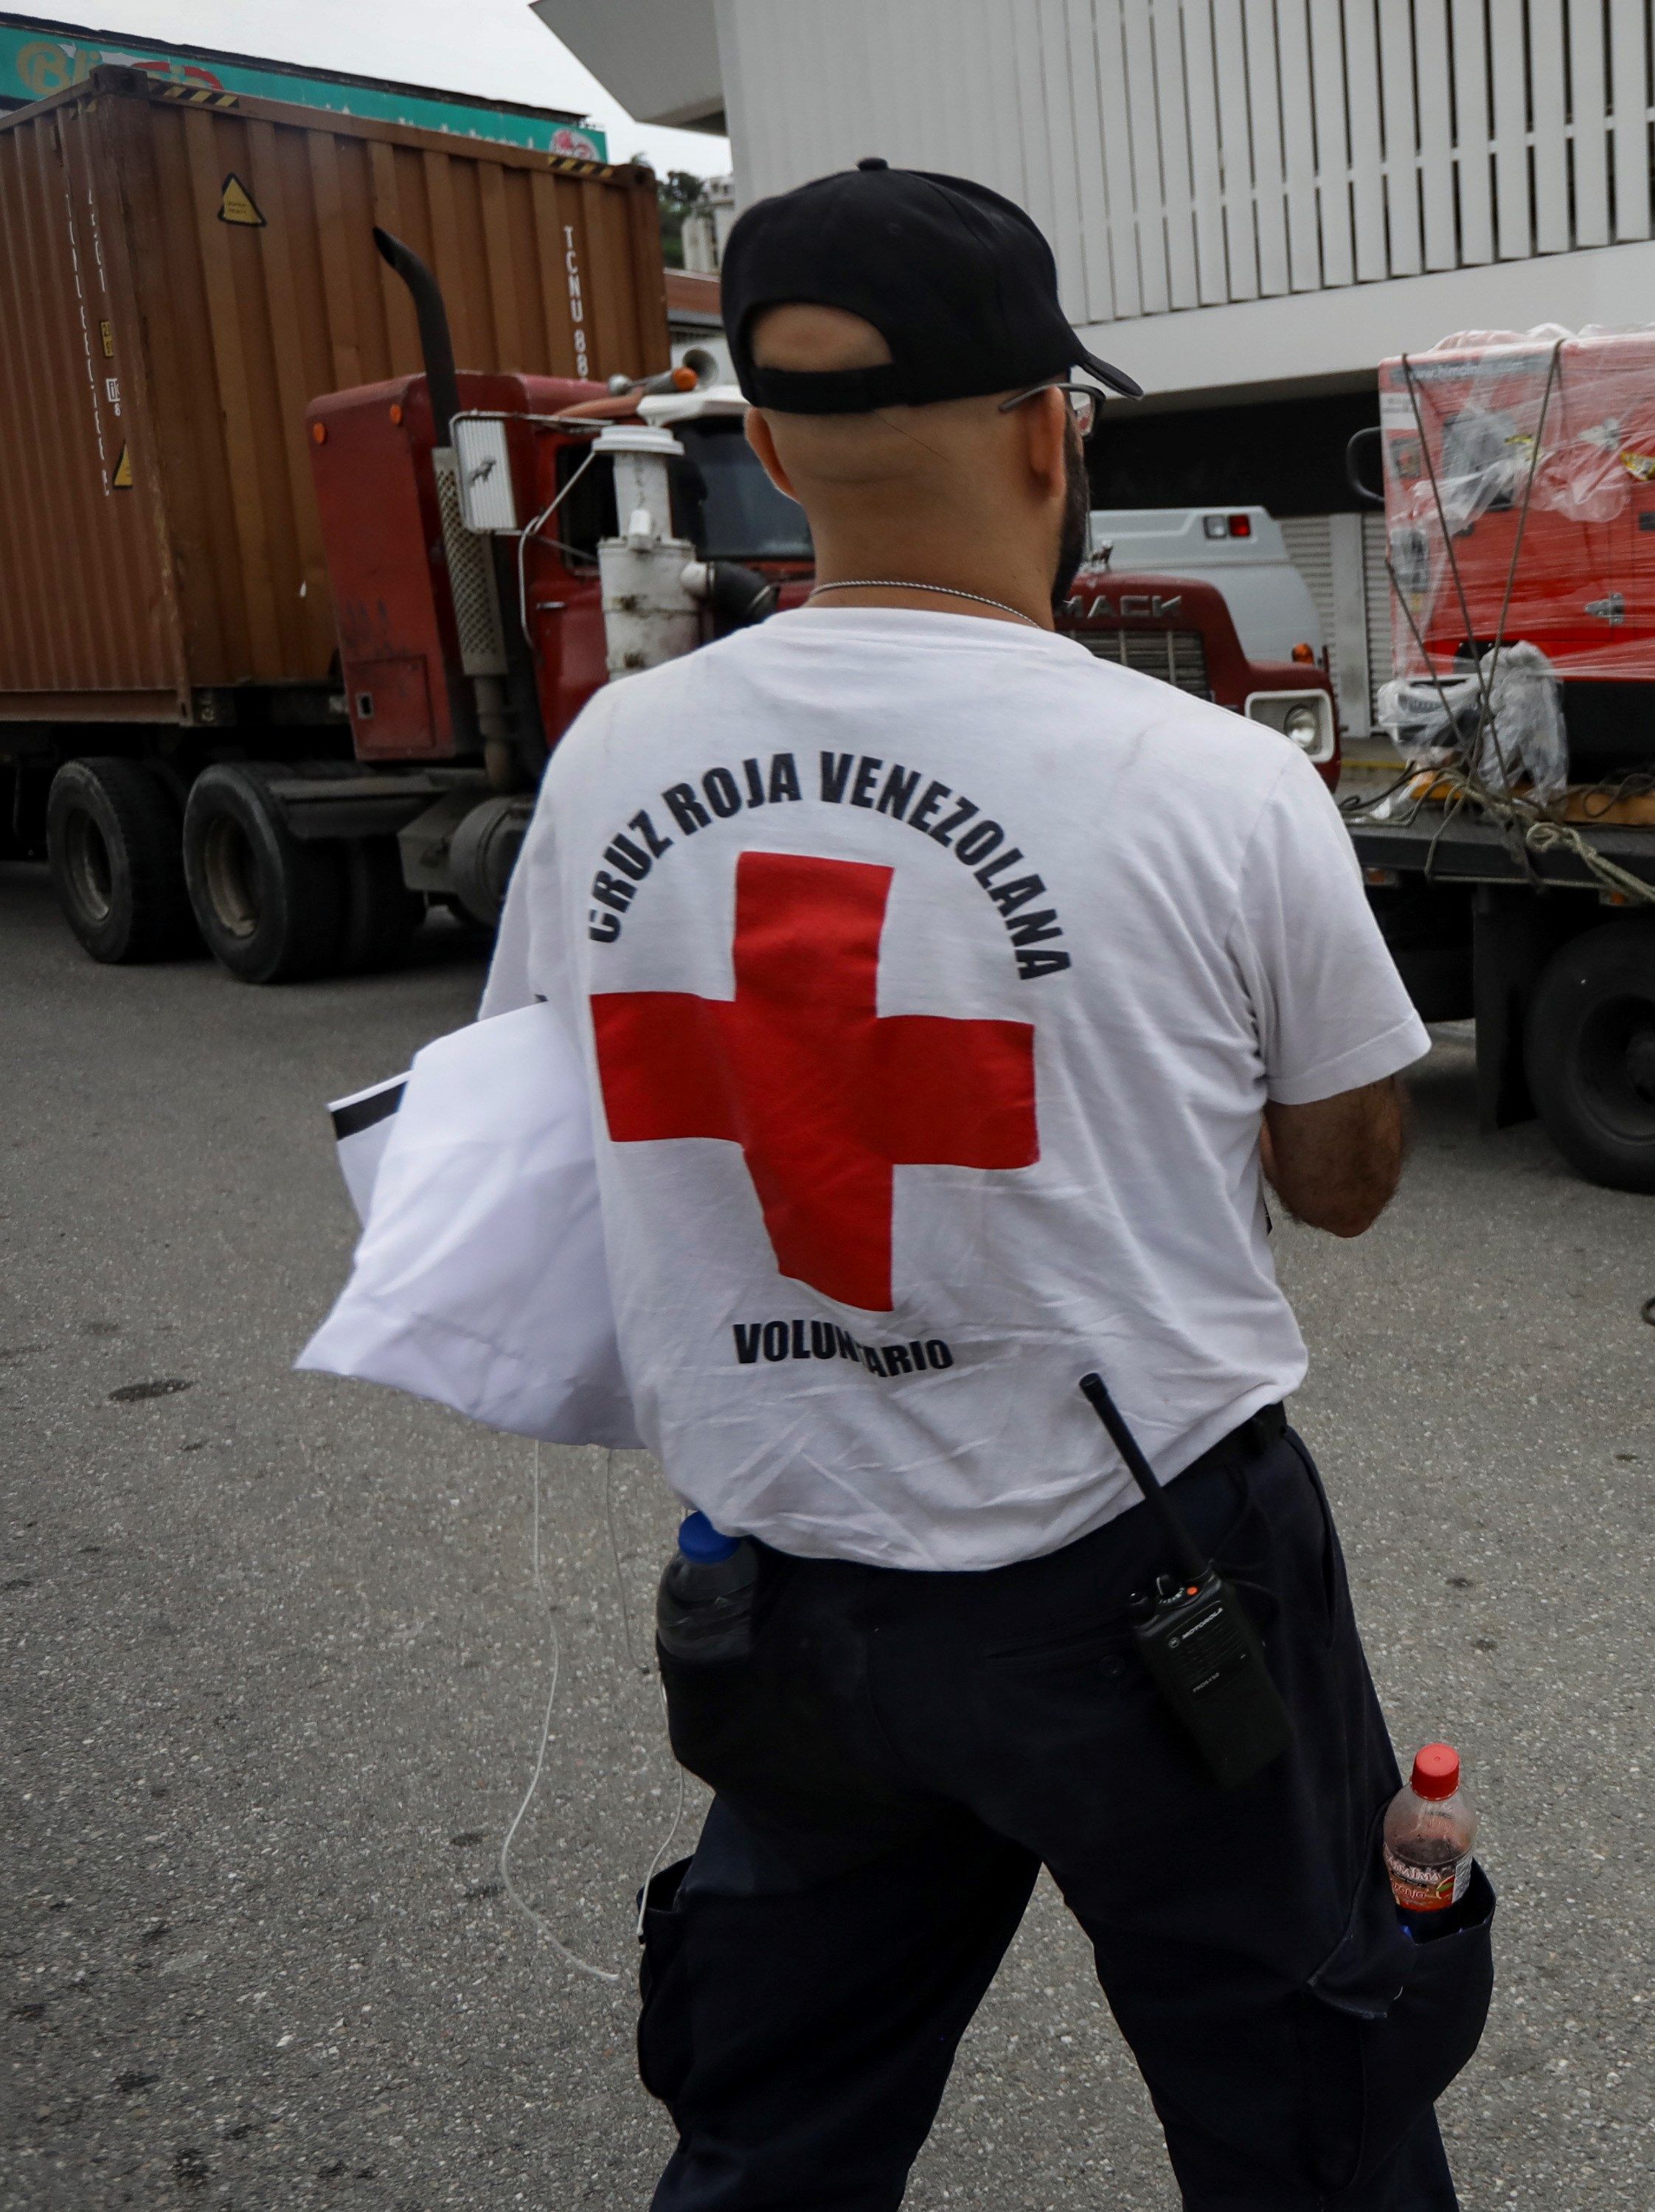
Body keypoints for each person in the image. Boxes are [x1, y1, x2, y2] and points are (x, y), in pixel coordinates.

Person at [478, 160, 1491, 2211]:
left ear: (765, 444)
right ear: (1054, 427)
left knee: (777, 2130)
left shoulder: (606, 760)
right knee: (1311, 2101)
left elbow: (548, 1114)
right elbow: (1349, 1180)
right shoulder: (1216, 776)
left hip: (785, 1587)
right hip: (1148, 1573)